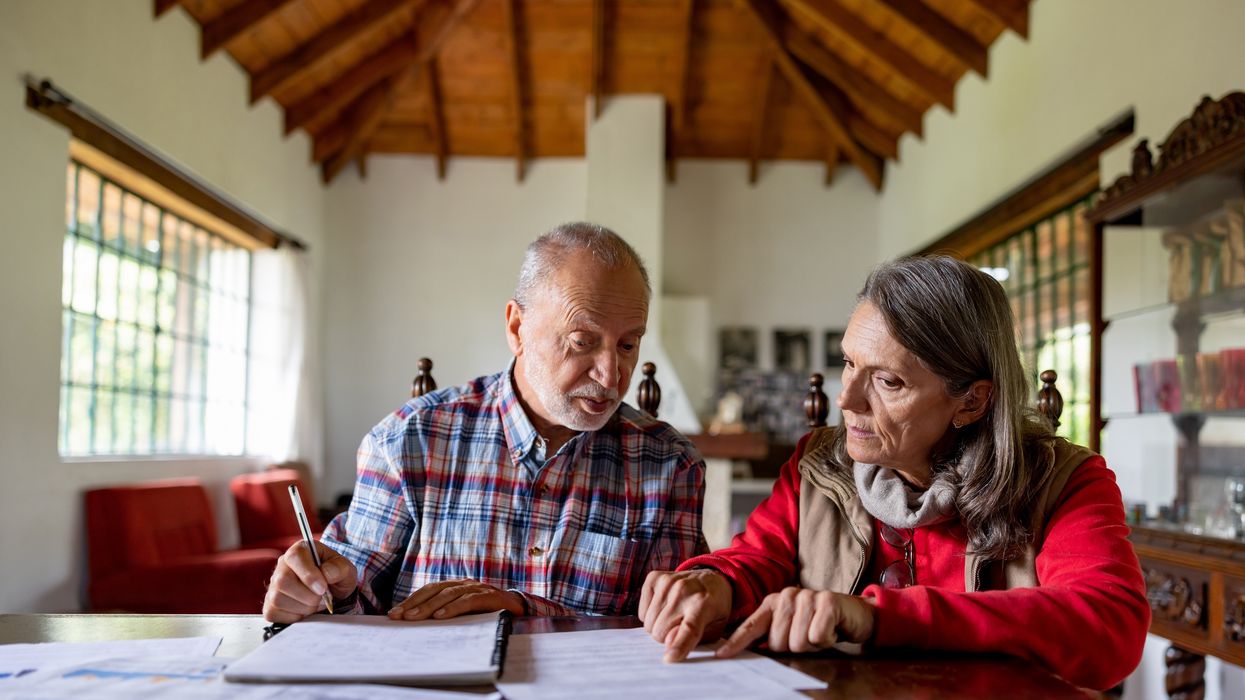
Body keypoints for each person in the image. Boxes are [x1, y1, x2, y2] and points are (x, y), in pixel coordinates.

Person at [638, 255, 1149, 691]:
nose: (846, 399)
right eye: (848, 363)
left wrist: (879, 616)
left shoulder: (1063, 482)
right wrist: (713, 583)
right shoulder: (817, 466)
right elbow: (754, 559)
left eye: (887, 381)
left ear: (972, 400)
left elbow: (1109, 627)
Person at [264, 222, 706, 623]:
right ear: (517, 328)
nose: (611, 376)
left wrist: (519, 607)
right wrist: (317, 595)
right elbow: (350, 607)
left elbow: (669, 629)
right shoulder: (408, 442)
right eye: (582, 342)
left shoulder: (669, 466)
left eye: (628, 345)